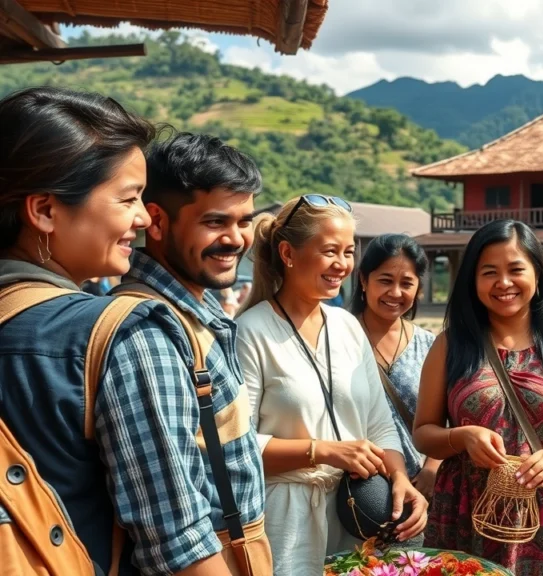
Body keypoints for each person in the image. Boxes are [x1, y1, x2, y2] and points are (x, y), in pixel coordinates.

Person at [0, 86, 248, 576]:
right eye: (129, 198)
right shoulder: (123, 336)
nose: (141, 218)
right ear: (46, 210)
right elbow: (179, 545)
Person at [235, 196, 428, 575]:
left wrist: (401, 478)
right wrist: (323, 451)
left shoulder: (347, 326)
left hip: (356, 514)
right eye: (329, 251)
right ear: (288, 253)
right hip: (286, 521)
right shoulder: (251, 332)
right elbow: (237, 445)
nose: (342, 264)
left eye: (348, 251)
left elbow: (379, 424)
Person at [413, 219, 543, 576]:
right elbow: (423, 432)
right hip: (463, 515)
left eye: (515, 269)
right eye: (489, 272)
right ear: (472, 281)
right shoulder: (449, 346)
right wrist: (460, 437)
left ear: (538, 275)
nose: (503, 283)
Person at [112, 131, 272, 574]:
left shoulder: (197, 314)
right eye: (216, 222)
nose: (236, 239)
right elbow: (173, 526)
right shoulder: (149, 333)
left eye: (244, 221)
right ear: (157, 222)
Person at [350, 233, 441, 507]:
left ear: (419, 289)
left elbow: (447, 417)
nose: (396, 293)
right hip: (361, 491)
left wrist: (432, 468)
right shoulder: (339, 338)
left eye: (407, 283)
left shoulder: (430, 345)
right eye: (385, 281)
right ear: (364, 281)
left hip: (420, 492)